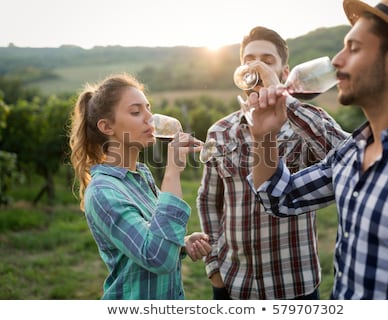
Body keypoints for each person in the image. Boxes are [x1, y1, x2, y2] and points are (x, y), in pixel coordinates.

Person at [248, 0, 388, 299]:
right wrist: (264, 136)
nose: (337, 61)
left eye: (353, 48)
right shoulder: (351, 151)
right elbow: (279, 198)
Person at [196, 26, 349, 300]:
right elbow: (209, 200)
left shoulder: (306, 123)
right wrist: (214, 270)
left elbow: (349, 158)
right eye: (249, 60)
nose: (256, 67)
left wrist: (283, 98)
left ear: (285, 72)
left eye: (267, 61)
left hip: (295, 286)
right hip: (234, 285)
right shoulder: (218, 132)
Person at [69, 73, 211, 299]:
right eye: (136, 112)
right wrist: (173, 171)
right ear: (107, 127)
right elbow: (158, 257)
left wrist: (182, 243)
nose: (150, 118)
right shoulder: (103, 193)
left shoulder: (141, 174)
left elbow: (150, 235)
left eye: (148, 108)